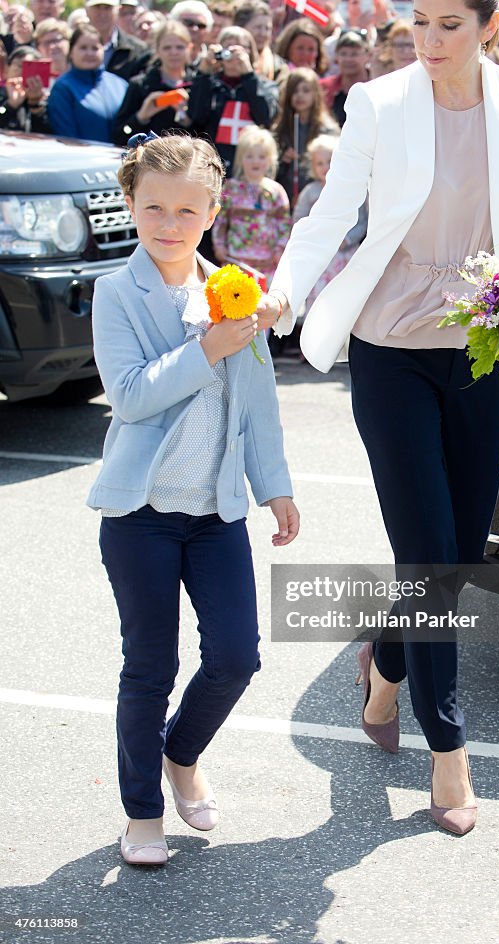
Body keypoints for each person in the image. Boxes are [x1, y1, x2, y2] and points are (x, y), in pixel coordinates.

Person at [258, 0, 499, 835]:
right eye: (416, 22)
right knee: (428, 550)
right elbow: (331, 210)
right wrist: (284, 287)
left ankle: (385, 663)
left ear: (489, 26)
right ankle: (449, 752)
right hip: (388, 345)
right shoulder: (379, 103)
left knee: (454, 561)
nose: (425, 41)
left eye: (448, 25)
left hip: (481, 348)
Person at [87, 132, 299, 866]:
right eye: (153, 208)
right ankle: (142, 811)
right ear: (131, 206)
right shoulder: (118, 293)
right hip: (140, 518)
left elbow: (258, 408)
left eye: (186, 209)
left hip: (215, 518)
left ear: (212, 211)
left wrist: (275, 488)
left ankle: (182, 754)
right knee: (149, 666)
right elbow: (131, 395)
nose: (169, 224)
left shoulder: (234, 289)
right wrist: (207, 345)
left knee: (237, 656)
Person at [186, 25, 279, 177]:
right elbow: (196, 115)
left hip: (249, 166)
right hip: (214, 163)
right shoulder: (210, 84)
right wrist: (204, 72)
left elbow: (265, 117)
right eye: (227, 47)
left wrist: (248, 76)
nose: (233, 53)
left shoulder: (264, 85)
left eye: (240, 48)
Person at [292, 133, 368, 307]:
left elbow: (363, 221)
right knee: (317, 296)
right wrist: (312, 237)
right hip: (320, 253)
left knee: (344, 297)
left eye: (330, 160)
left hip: (345, 254)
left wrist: (348, 239)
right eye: (319, 163)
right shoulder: (310, 192)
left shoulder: (353, 190)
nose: (326, 166)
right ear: (312, 167)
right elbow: (299, 219)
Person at [211, 126, 290, 287]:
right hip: (236, 260)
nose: (255, 161)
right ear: (241, 159)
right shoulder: (231, 189)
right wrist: (219, 245)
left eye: (261, 157)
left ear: (270, 160)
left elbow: (284, 225)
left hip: (267, 263)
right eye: (249, 156)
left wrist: (280, 250)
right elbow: (220, 221)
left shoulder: (276, 191)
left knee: (263, 306)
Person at [113, 20, 193, 144]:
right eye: (167, 48)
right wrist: (141, 117)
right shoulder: (140, 85)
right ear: (157, 50)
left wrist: (187, 121)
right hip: (150, 159)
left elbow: (209, 136)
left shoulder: (197, 85)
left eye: (180, 47)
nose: (173, 52)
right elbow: (120, 136)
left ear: (189, 48)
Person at [47, 24, 127, 142]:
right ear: (71, 52)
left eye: (95, 48)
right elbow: (66, 135)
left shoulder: (121, 85)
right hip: (82, 158)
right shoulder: (63, 88)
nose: (89, 53)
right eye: (83, 48)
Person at [272, 66, 339, 203]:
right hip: (288, 197)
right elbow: (271, 169)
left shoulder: (327, 130)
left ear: (316, 94)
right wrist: (283, 160)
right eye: (295, 91)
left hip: (319, 197)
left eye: (306, 91)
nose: (300, 95)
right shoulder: (281, 129)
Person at [84, 0, 150, 81]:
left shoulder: (137, 51)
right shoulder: (72, 47)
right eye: (97, 7)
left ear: (118, 10)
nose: (102, 14)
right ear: (87, 10)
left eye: (107, 8)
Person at [320, 29, 370, 126]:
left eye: (354, 54)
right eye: (343, 54)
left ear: (367, 56)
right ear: (336, 56)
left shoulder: (378, 86)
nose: (348, 59)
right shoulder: (324, 88)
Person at [0, 45, 51, 133]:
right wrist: (10, 105)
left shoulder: (48, 99)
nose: (23, 71)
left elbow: (49, 133)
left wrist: (36, 104)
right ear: (7, 68)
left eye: (29, 67)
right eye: (19, 65)